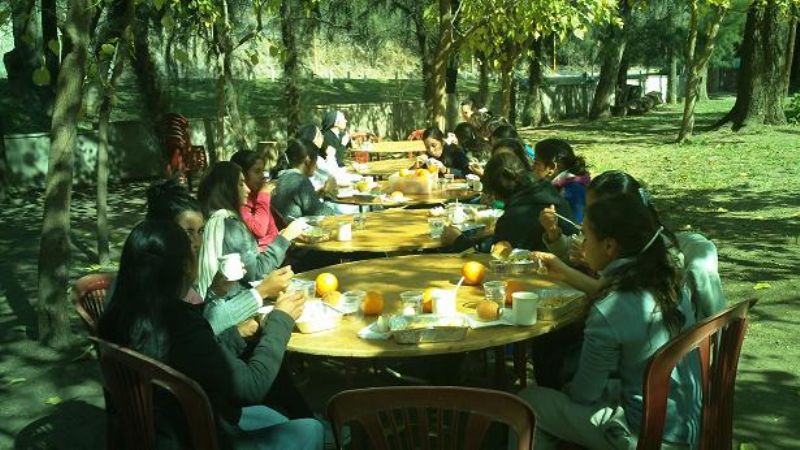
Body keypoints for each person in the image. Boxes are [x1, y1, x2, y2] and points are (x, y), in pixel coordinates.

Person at [98, 220, 323, 450]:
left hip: (157, 431)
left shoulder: (118, 314)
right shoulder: (179, 323)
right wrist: (281, 318)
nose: (198, 243)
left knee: (272, 415)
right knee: (312, 429)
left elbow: (198, 357)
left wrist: (236, 334)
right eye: (193, 247)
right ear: (187, 266)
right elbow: (253, 386)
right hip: (199, 437)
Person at [518, 194, 702, 450]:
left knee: (528, 403)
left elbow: (585, 395)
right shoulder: (668, 282)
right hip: (688, 424)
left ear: (609, 246)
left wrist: (567, 391)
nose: (582, 244)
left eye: (585, 236)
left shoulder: (611, 307)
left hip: (647, 438)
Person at [540, 170, 725, 321]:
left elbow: (608, 294)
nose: (589, 217)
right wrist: (554, 233)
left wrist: (583, 266)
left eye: (597, 210)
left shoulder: (658, 254)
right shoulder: (619, 240)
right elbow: (574, 251)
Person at [197, 162, 307, 308]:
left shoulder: (209, 219)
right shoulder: (229, 224)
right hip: (234, 306)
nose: (247, 189)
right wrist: (285, 237)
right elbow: (257, 273)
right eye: (241, 184)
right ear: (227, 189)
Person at [442, 150, 574, 252]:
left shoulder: (516, 215)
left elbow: (495, 257)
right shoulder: (546, 190)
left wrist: (459, 241)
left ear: (497, 192)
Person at [271, 139, 336, 222]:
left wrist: (317, 194)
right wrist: (329, 195)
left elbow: (300, 201)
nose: (316, 166)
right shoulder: (299, 181)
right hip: (295, 232)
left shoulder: (283, 175)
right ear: (308, 161)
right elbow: (323, 215)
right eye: (315, 161)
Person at [231, 150, 280, 250]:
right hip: (263, 256)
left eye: (263, 171)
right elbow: (259, 230)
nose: (262, 176)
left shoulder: (255, 195)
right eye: (257, 171)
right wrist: (264, 194)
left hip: (277, 248)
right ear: (242, 175)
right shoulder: (241, 201)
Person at [534, 138, 591, 223]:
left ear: (552, 167)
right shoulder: (561, 185)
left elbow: (575, 228)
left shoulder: (574, 191)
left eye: (536, 163)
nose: (532, 167)